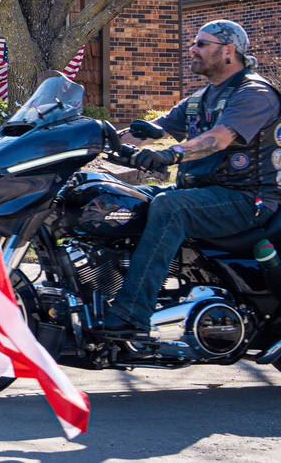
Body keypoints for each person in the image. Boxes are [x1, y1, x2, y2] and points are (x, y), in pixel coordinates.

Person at [101, 20, 281, 337]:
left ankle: (131, 315)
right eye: (193, 43)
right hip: (204, 194)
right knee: (114, 197)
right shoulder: (201, 98)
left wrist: (170, 154)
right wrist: (100, 142)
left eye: (201, 43)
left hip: (247, 199)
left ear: (228, 51)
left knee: (171, 207)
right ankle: (94, 298)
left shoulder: (254, 93)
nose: (192, 49)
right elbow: (155, 128)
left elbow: (220, 138)